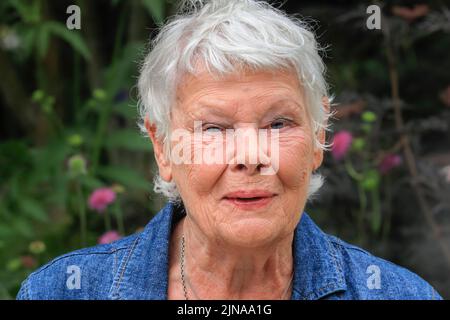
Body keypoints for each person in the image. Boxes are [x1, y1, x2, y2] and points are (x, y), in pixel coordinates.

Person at [17, 0, 442, 300]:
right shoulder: (62, 292)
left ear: (317, 138)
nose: (251, 156)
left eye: (278, 123)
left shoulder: (398, 294)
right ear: (163, 148)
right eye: (214, 128)